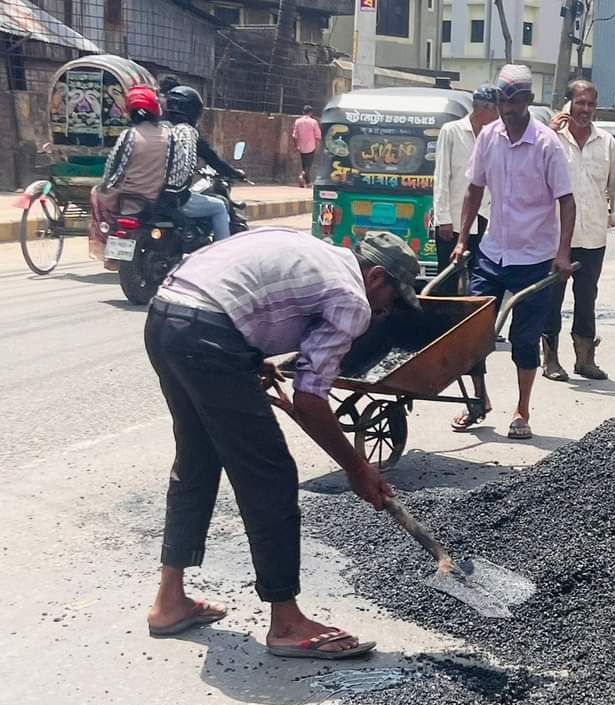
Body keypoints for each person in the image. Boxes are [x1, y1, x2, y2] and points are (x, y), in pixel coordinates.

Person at [145, 226, 421, 658]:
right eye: (392, 301)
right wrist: (357, 467)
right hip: (209, 335)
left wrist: (249, 358)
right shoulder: (352, 297)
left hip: (166, 317)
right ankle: (287, 622)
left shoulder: (317, 252)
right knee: (270, 473)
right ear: (377, 278)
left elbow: (248, 293)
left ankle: (169, 601)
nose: (387, 312)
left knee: (197, 458)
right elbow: (311, 400)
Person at [450, 63, 576, 440]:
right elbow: (474, 188)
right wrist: (461, 239)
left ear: (527, 100)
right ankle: (479, 399)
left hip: (535, 255)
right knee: (472, 332)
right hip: (493, 251)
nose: (507, 107)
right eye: (502, 99)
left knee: (524, 338)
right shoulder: (488, 137)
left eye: (514, 100)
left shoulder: (546, 144)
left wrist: (562, 252)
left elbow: (566, 202)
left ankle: (522, 409)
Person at [543, 80, 615, 382]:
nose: (585, 110)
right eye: (579, 103)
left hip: (593, 236)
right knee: (551, 300)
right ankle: (551, 360)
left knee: (586, 300)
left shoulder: (606, 141)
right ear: (568, 103)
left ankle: (585, 360)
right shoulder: (551, 139)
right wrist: (548, 131)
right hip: (555, 238)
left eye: (590, 104)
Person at [90, 85, 173, 266]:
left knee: (96, 193)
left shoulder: (129, 135)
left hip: (128, 200)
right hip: (159, 199)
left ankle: (107, 242)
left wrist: (105, 186)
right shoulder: (170, 135)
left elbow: (113, 168)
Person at [432, 85, 499, 294]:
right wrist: (443, 218)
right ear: (486, 108)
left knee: (482, 278)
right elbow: (441, 176)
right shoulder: (452, 131)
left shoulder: (496, 135)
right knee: (448, 279)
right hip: (452, 220)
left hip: (485, 217)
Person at [165, 85, 245, 241]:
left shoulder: (159, 131)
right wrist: (234, 173)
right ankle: (221, 253)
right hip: (175, 198)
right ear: (193, 111)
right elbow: (214, 161)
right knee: (220, 207)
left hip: (151, 196)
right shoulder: (188, 134)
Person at [292, 105, 322, 188]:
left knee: (304, 164)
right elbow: (318, 135)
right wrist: (318, 142)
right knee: (308, 166)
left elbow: (294, 136)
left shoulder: (297, 121)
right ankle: (302, 176)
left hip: (301, 146)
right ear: (311, 113)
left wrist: (296, 146)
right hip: (311, 146)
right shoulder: (313, 122)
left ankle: (308, 183)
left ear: (303, 112)